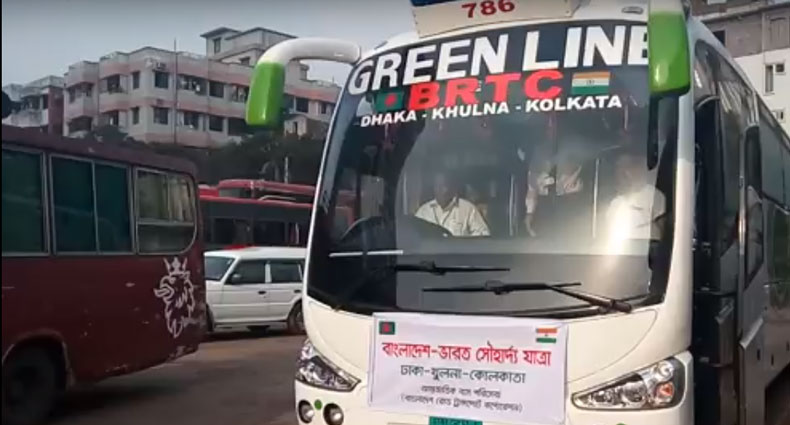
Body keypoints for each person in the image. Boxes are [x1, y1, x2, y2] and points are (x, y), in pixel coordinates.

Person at [605, 152, 666, 240]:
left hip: (647, 247)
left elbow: (662, 231)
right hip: (619, 248)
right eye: (618, 168)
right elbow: (608, 236)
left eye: (625, 168)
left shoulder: (654, 196)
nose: (621, 173)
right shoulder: (615, 204)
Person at [415, 171, 490, 237]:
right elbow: (413, 236)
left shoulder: (468, 210)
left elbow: (483, 235)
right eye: (438, 186)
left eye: (445, 186)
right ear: (434, 188)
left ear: (453, 188)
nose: (443, 191)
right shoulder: (423, 212)